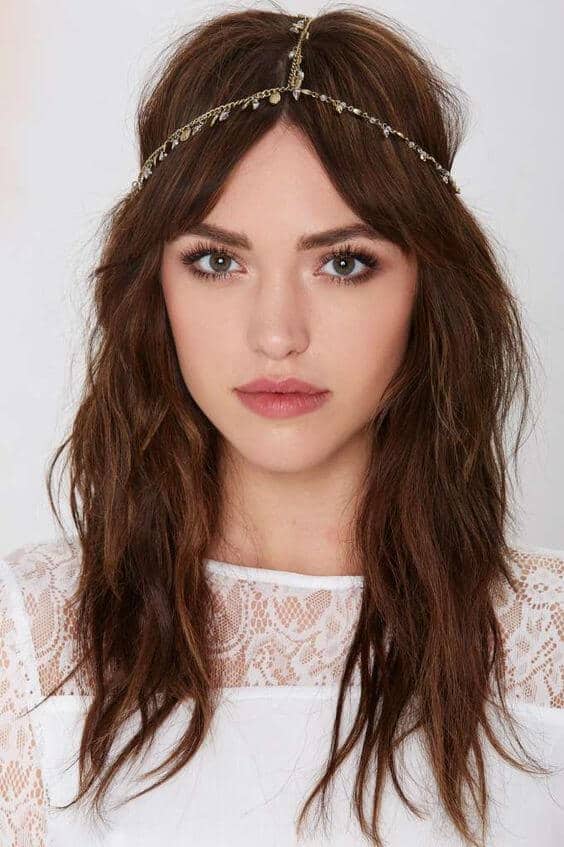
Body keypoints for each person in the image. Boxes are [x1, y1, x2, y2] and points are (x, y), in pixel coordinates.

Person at [1, 5, 562, 846]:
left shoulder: (547, 655)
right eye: (217, 261)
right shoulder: (29, 647)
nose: (277, 333)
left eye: (344, 262)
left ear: (428, 288)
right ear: (154, 286)